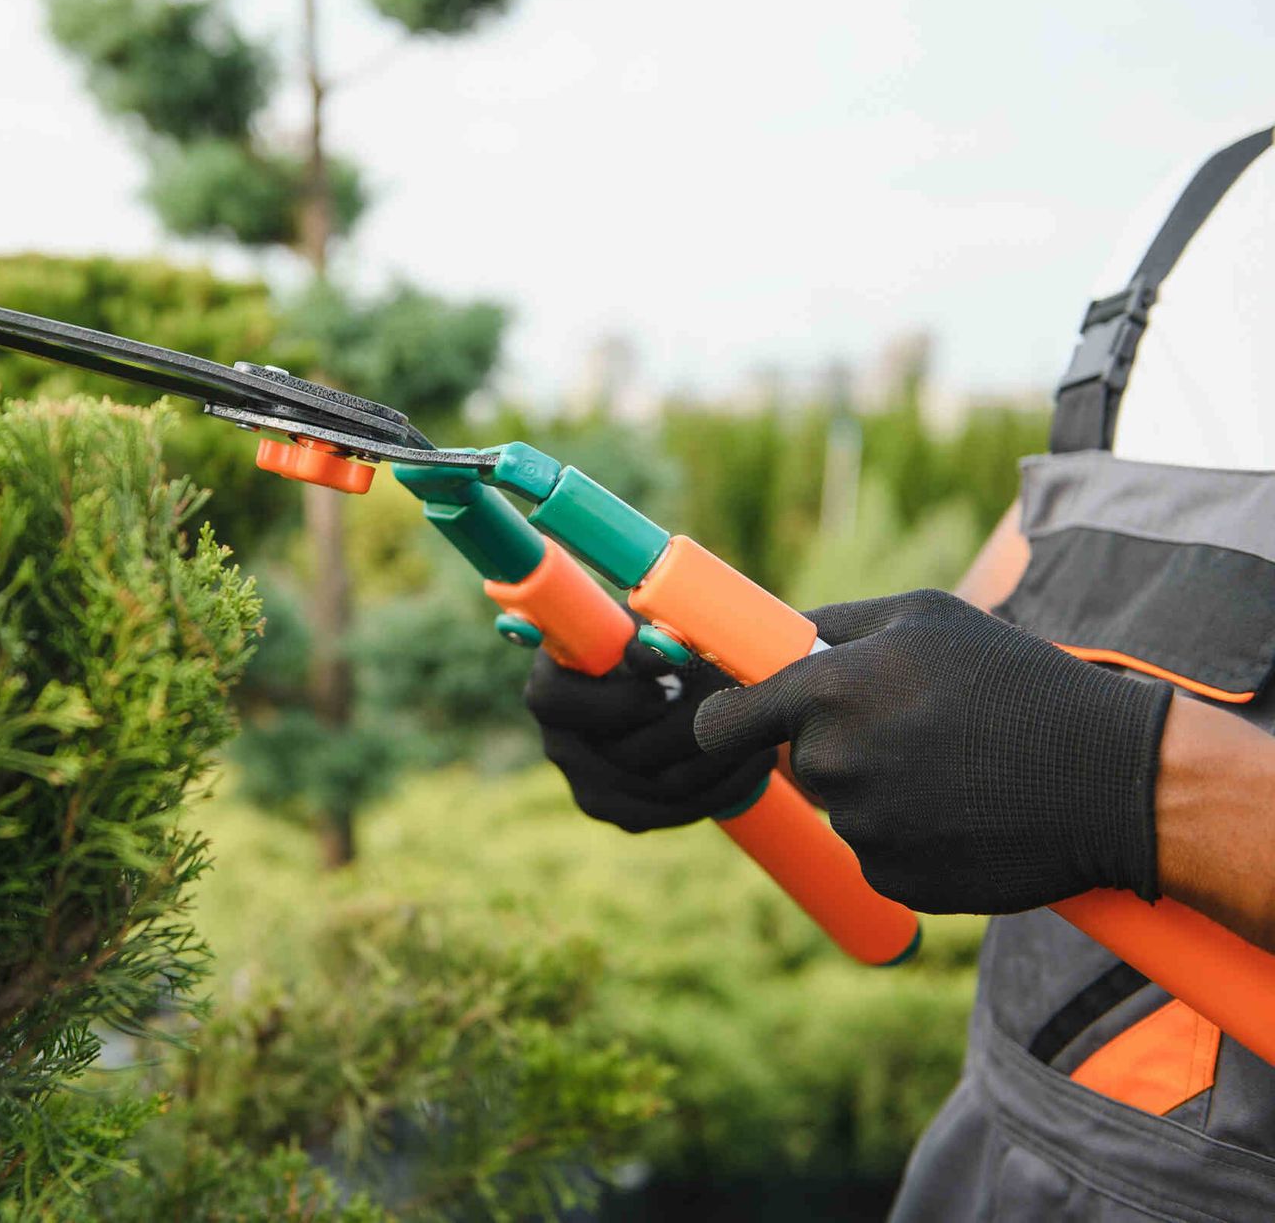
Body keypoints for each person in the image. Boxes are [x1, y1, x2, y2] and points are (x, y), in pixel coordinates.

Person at [528, 125, 1275, 1219]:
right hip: (1005, 1159)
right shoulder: (1209, 207)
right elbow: (1001, 634)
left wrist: (1140, 786)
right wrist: (748, 728)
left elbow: (1079, 760)